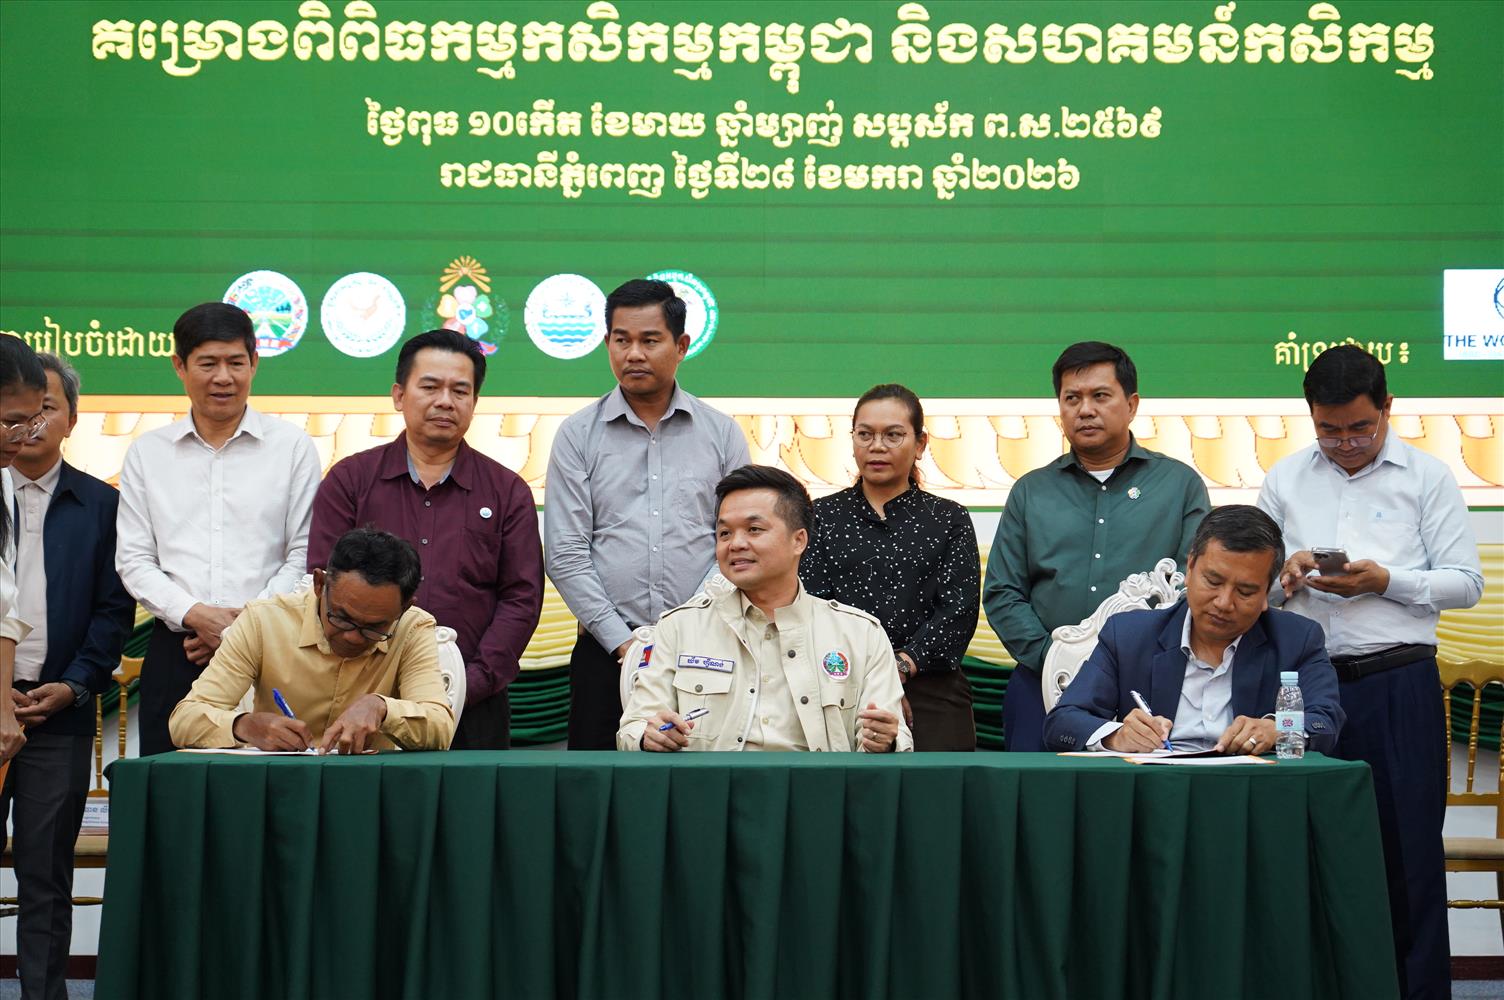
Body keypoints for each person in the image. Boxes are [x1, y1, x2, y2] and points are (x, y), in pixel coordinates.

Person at [1257, 345, 1482, 1000]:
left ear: (1388, 407)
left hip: (1398, 685)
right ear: (1310, 416)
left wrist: (1386, 580)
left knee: (1408, 858)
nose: (1346, 443)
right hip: (1302, 689)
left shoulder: (1428, 477)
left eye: (1360, 427)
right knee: (1302, 851)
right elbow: (1252, 591)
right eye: (1329, 430)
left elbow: (1466, 584)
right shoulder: (1285, 478)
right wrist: (1285, 576)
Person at [307, 329, 542, 749]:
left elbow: (521, 599)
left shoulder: (507, 492)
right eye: (430, 387)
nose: (445, 401)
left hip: (473, 706)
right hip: (361, 704)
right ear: (399, 395)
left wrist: (467, 684)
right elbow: (323, 584)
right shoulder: (350, 481)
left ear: (474, 401)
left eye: (460, 390)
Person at [547, 278, 749, 749]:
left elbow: (736, 544)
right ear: (607, 343)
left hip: (706, 649)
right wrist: (624, 643)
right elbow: (566, 551)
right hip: (605, 652)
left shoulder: (722, 434)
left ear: (681, 346)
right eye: (622, 340)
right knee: (597, 784)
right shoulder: (577, 435)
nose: (633, 354)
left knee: (700, 776)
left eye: (650, 340)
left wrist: (686, 630)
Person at [116, 302, 321, 755]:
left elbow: (304, 554)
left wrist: (242, 629)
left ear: (255, 363)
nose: (223, 377)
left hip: (272, 652)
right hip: (180, 648)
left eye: (235, 362)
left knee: (267, 788)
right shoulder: (148, 453)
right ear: (180, 366)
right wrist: (195, 614)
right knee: (169, 787)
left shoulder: (292, 447)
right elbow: (134, 559)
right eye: (208, 363)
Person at [984, 341, 1210, 751]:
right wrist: (1056, 658)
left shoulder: (1179, 485)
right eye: (1072, 398)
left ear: (1132, 404)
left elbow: (1192, 586)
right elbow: (1003, 592)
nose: (1085, 410)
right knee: (1033, 791)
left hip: (1146, 688)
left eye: (1100, 396)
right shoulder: (1031, 491)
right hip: (1042, 681)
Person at [2, 353, 134, 1000]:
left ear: (71, 419)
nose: (29, 427)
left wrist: (75, 684)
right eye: (17, 415)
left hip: (58, 713)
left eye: (44, 410)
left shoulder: (104, 505)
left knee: (45, 875)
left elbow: (114, 612)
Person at [619, 465, 911, 752]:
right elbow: (633, 727)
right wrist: (648, 736)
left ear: (799, 541)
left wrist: (884, 741)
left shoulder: (860, 634)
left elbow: (895, 735)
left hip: (818, 783)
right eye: (724, 533)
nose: (736, 544)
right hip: (713, 783)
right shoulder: (679, 628)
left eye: (754, 529)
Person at [1044, 505, 1344, 755]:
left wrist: (1279, 728)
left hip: (1251, 791)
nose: (1224, 603)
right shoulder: (1128, 636)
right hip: (1154, 790)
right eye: (1213, 581)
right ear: (1189, 569)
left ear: (1267, 594)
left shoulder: (1298, 639)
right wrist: (1116, 735)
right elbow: (1064, 722)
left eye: (1245, 591)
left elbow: (1325, 721)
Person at [800, 384, 979, 750]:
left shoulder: (949, 518)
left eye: (893, 435)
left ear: (920, 444)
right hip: (838, 685)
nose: (877, 446)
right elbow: (812, 605)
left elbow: (958, 612)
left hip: (931, 688)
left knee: (939, 786)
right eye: (865, 434)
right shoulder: (821, 516)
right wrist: (873, 678)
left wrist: (899, 668)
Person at [170, 527, 455, 753]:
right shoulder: (263, 620)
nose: (353, 637)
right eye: (341, 618)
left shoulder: (413, 627)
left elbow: (440, 726)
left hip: (369, 789)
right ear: (319, 584)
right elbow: (185, 719)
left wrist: (382, 708)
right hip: (277, 785)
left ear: (403, 609)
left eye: (374, 627)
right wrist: (243, 726)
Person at [0, 335, 48, 766]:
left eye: (32, 423)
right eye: (11, 422)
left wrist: (1, 702)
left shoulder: (3, 477)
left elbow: (4, 605)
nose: (21, 438)